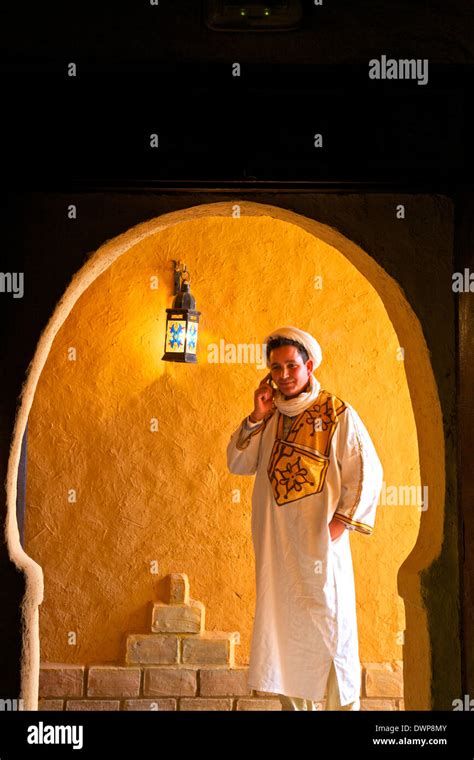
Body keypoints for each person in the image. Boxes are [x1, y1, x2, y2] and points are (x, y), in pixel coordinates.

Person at [226, 326, 383, 711]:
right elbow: (238, 461)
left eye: (291, 366)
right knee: (285, 637)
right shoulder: (271, 416)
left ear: (309, 365)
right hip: (277, 553)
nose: (283, 375)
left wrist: (339, 525)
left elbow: (367, 472)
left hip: (319, 553)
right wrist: (257, 414)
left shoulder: (336, 413)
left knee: (330, 632)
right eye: (275, 368)